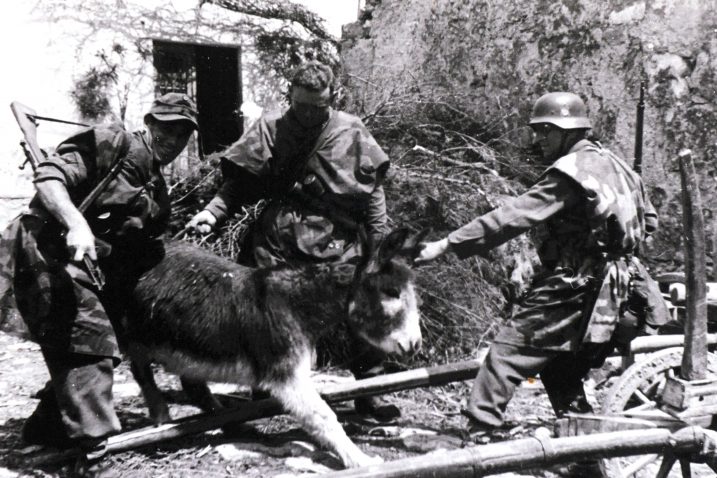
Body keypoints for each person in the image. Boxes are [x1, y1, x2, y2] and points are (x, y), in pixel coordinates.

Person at [415, 92, 664, 436]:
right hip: (622, 284)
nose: (538, 138)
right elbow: (648, 222)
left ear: (570, 132)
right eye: (537, 129)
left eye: (546, 130)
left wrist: (446, 244)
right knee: (559, 364)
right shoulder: (621, 167)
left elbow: (512, 217)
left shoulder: (571, 172)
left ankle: (480, 430)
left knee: (507, 351)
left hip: (575, 284)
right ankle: (586, 446)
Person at [187, 60, 399, 420]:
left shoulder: (351, 130)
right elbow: (237, 184)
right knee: (264, 317)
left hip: (336, 240)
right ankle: (264, 392)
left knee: (362, 309)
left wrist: (377, 244)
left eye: (318, 107)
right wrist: (212, 212)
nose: (308, 114)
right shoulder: (271, 127)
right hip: (279, 242)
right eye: (300, 105)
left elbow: (373, 191)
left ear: (331, 98)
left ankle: (371, 391)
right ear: (290, 96)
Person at [0, 93, 197, 467]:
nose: (173, 141)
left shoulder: (155, 184)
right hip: (43, 251)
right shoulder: (112, 143)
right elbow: (50, 177)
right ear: (150, 123)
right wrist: (76, 223)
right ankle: (92, 452)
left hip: (88, 266)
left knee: (106, 336)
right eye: (167, 129)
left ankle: (49, 426)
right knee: (88, 338)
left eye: (183, 135)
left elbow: (143, 245)